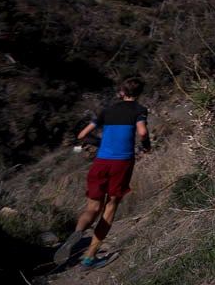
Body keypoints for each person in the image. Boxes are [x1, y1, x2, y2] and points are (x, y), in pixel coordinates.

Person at [54, 76, 151, 268]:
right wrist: (146, 146)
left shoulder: (107, 110)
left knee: (92, 208)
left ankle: (77, 233)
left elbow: (82, 135)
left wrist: (101, 143)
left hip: (101, 162)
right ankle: (89, 258)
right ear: (139, 93)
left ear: (121, 92)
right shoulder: (139, 110)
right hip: (121, 163)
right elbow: (142, 132)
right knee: (110, 207)